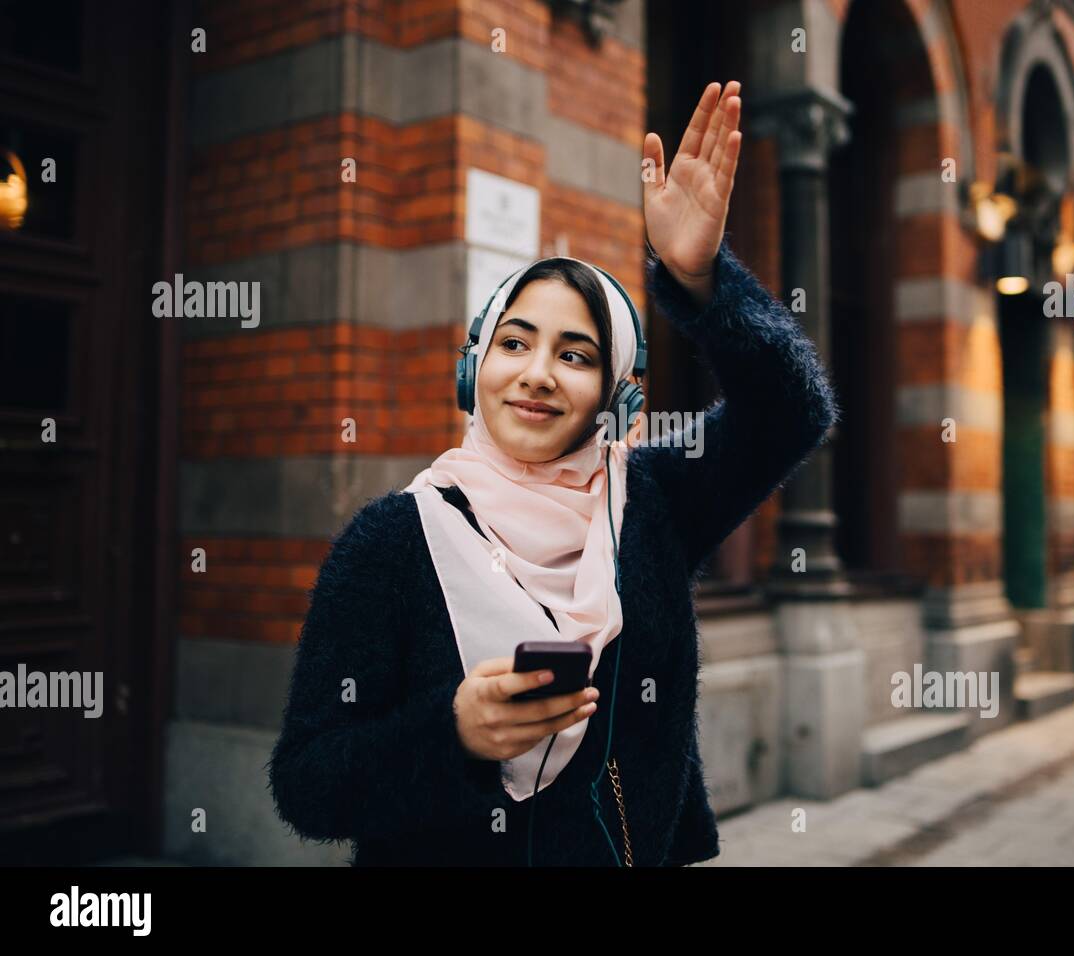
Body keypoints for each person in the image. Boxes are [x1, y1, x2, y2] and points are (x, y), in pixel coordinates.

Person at [267, 81, 838, 866]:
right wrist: (455, 732)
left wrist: (701, 280)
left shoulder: (653, 503)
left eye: (575, 355)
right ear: (474, 371)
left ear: (617, 396)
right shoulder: (392, 540)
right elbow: (305, 784)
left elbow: (792, 413)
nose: (536, 374)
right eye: (514, 343)